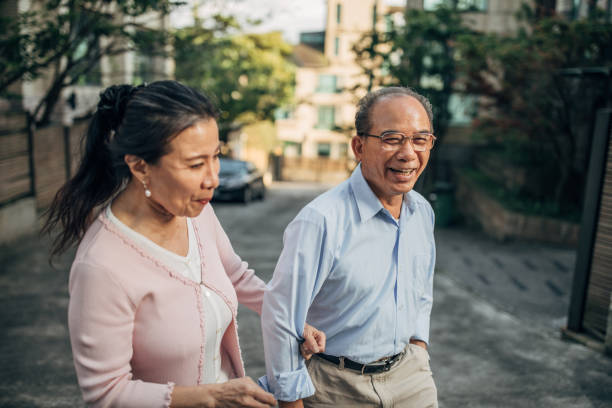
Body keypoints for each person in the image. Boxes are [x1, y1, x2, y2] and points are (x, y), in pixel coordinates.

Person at [43, 80, 324, 408]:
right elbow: (106, 393)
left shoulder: (195, 211)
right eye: (194, 165)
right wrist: (213, 397)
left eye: (216, 157)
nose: (213, 179)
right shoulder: (102, 267)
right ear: (140, 166)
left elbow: (235, 274)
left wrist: (287, 318)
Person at [260, 86, 438, 407]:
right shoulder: (321, 220)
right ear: (359, 146)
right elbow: (281, 316)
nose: (408, 153)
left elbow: (421, 290)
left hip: (411, 378)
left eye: (420, 139)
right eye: (392, 138)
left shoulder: (421, 211)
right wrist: (291, 401)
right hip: (335, 386)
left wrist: (419, 345)